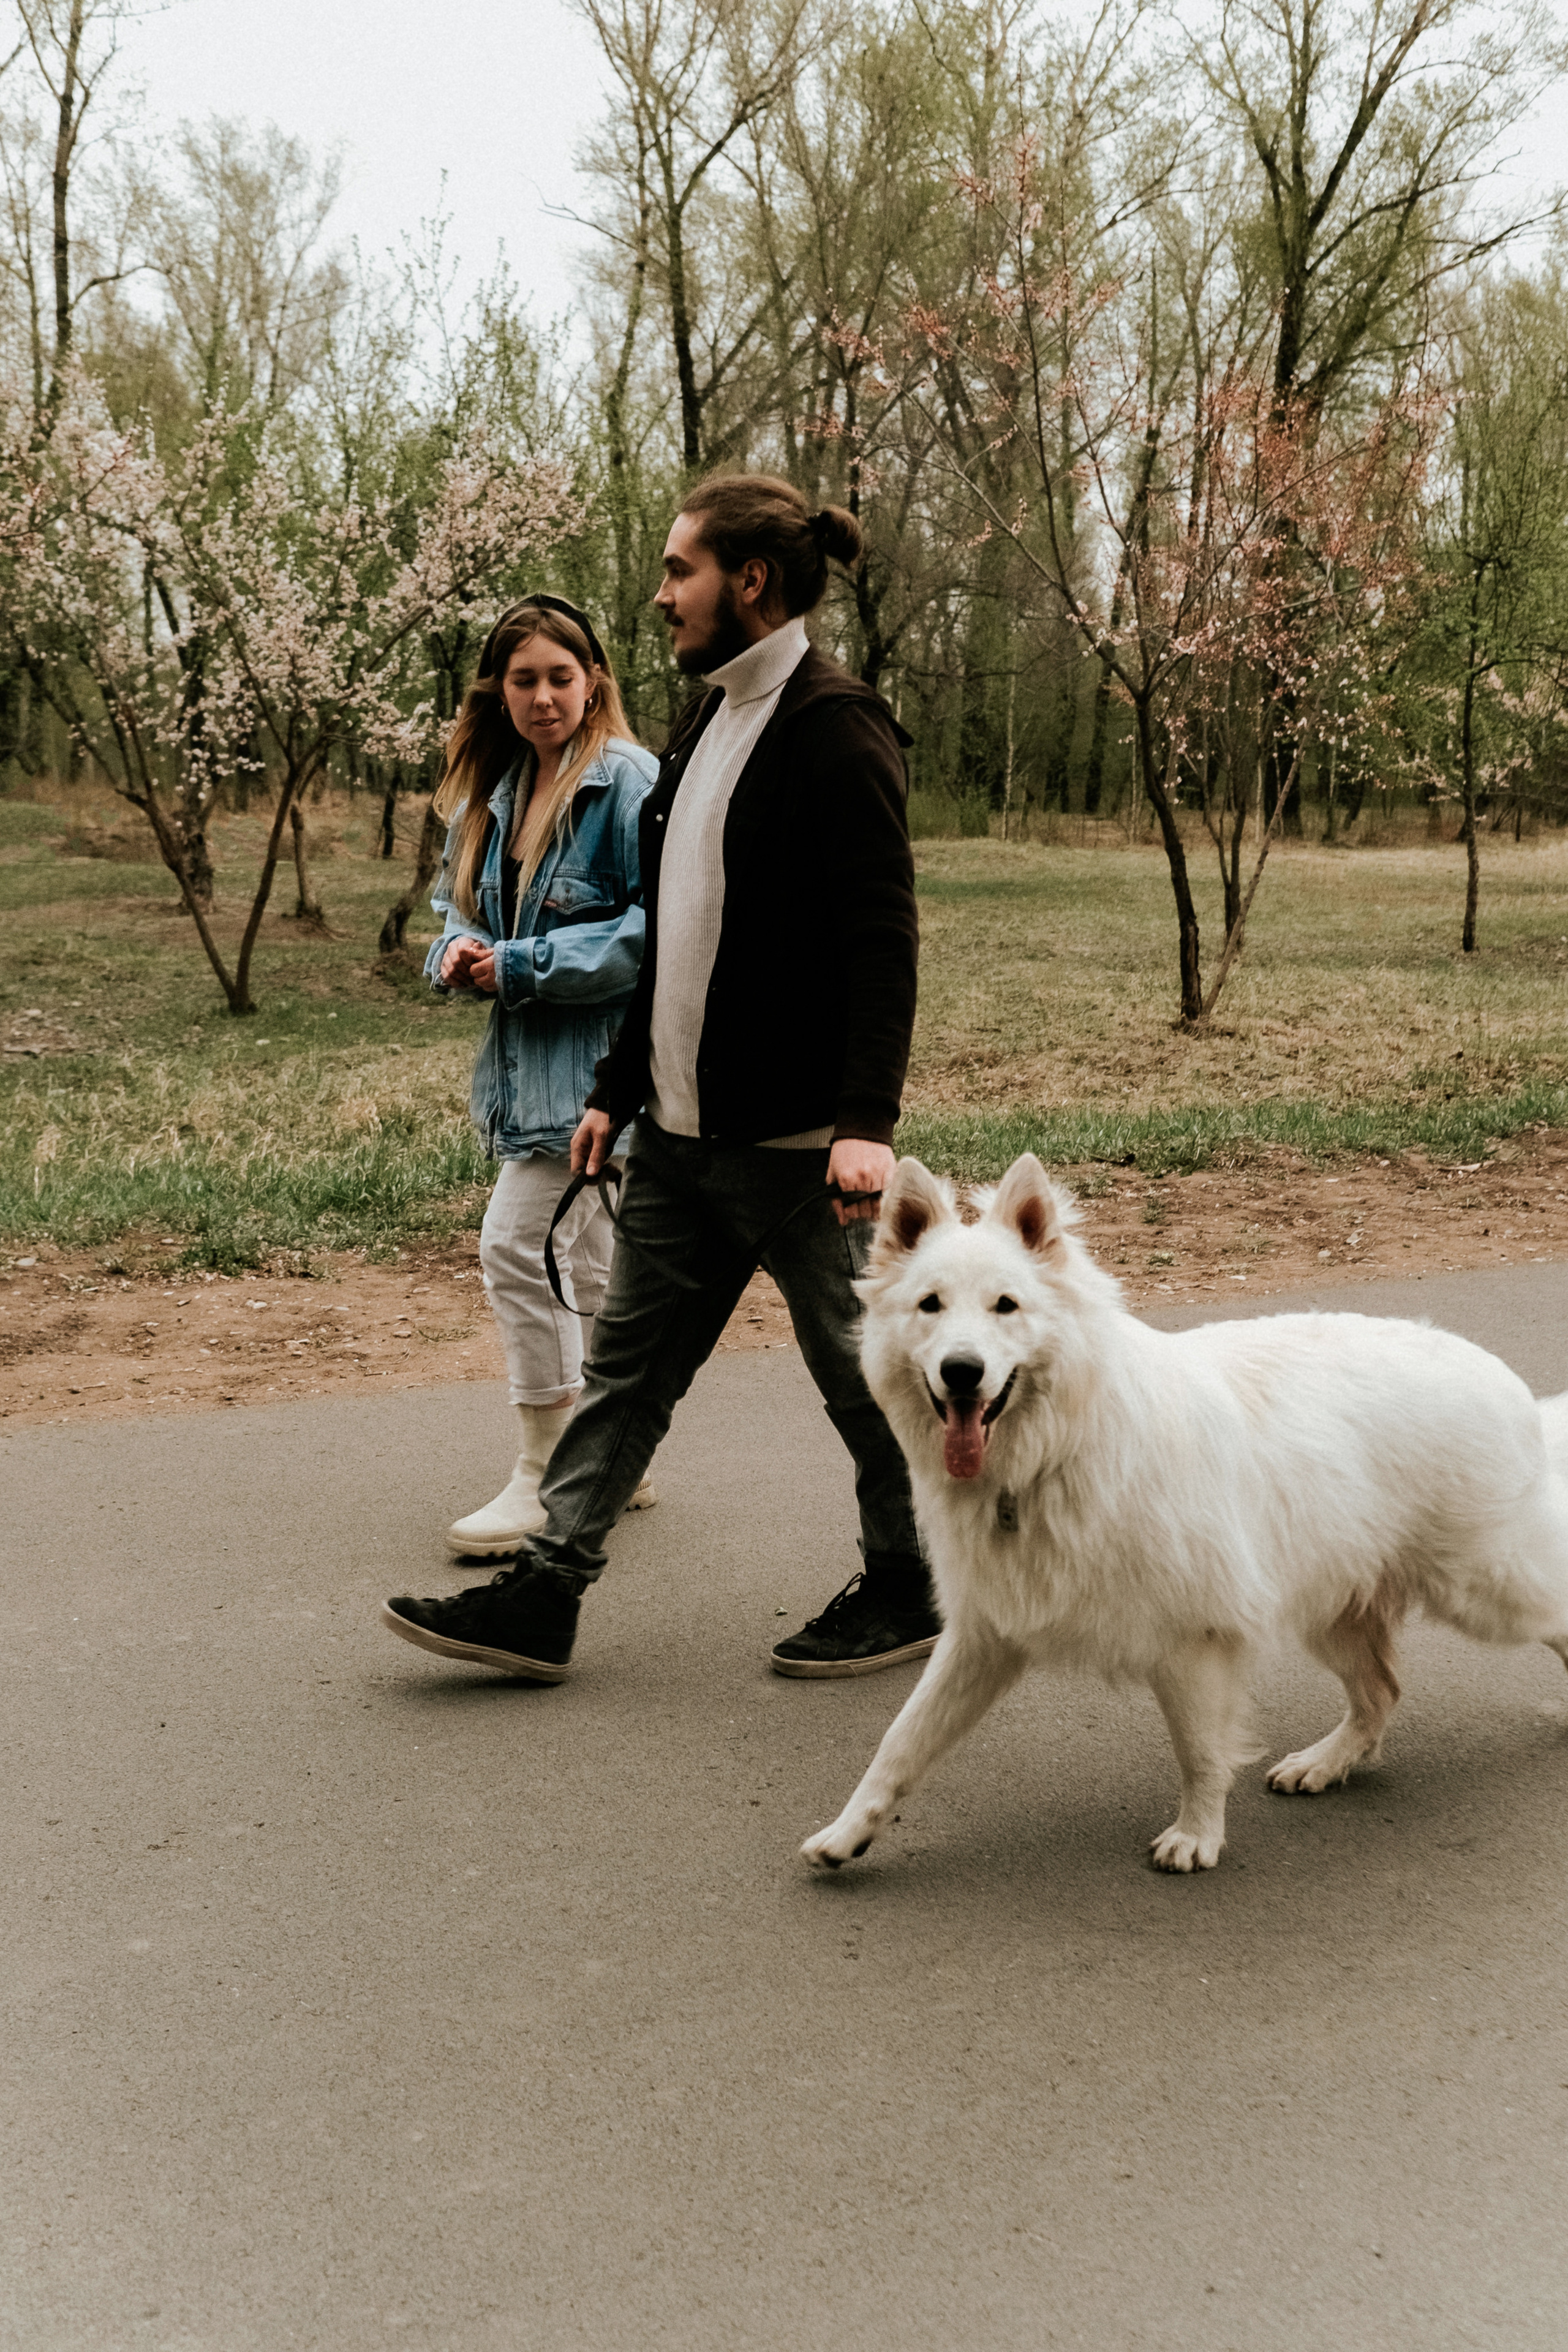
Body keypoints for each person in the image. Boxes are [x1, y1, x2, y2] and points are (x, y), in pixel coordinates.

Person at [383, 475, 937, 1683]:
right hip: (681, 1142)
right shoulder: (702, 725)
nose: (660, 593)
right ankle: (548, 1592)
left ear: (749, 583)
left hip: (796, 1151)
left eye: (678, 570)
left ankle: (913, 1582)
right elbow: (675, 938)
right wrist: (615, 1091)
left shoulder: (834, 726)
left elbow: (880, 939)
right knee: (628, 1371)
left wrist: (865, 1125)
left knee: (862, 1382)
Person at [424, 593, 658, 1556]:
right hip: (524, 1076)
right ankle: (616, 1459)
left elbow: (655, 932)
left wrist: (520, 967)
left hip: (601, 1077)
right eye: (524, 680)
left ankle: (547, 1472)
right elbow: (458, 905)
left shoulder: (631, 783)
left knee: (515, 1247)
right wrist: (456, 951)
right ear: (500, 691)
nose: (544, 696)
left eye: (561, 677)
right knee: (592, 1264)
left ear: (593, 679)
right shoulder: (498, 787)